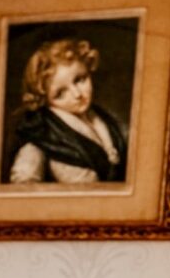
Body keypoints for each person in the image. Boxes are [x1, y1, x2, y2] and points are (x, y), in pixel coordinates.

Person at [9, 38, 127, 184]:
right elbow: (23, 185)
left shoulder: (103, 119)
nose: (77, 94)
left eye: (79, 79)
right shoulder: (42, 135)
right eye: (60, 93)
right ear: (45, 99)